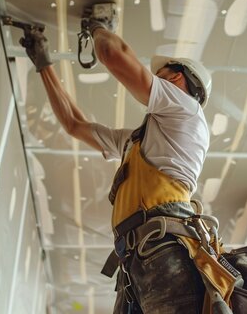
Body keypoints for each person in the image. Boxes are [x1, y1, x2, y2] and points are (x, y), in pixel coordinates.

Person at [20, 17, 214, 313]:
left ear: (177, 80)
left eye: (159, 76)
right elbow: (75, 125)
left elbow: (111, 53)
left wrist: (98, 26)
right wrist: (43, 63)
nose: (154, 82)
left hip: (166, 251)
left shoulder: (186, 110)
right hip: (141, 260)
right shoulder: (137, 143)